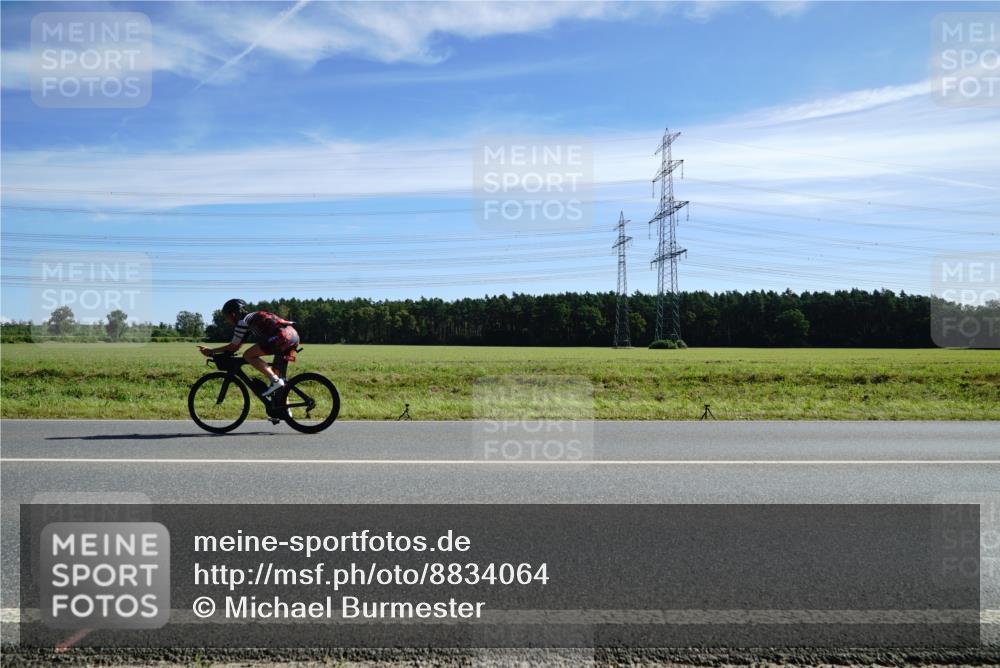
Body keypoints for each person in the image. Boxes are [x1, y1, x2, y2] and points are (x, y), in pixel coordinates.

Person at [198, 299, 299, 397]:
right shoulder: (251, 318)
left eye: (226, 317)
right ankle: (284, 412)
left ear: (233, 314)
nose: (226, 320)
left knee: (248, 355)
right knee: (280, 384)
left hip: (281, 337)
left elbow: (234, 346)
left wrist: (212, 351)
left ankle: (275, 381)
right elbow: (237, 345)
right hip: (293, 336)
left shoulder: (242, 321)